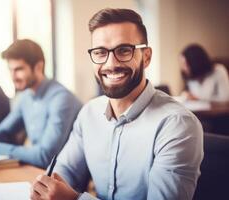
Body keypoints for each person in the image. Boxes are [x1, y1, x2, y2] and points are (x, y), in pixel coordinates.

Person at [31, 8, 203, 200]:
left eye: (123, 50)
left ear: (146, 57)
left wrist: (75, 199)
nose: (111, 64)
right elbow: (65, 171)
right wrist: (45, 187)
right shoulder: (89, 113)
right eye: (100, 52)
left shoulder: (177, 124)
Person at [0, 39, 82, 169]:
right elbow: (5, 129)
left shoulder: (61, 99)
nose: (13, 76)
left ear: (38, 67)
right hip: (38, 171)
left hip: (64, 180)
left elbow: (45, 156)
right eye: (10, 70)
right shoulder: (25, 96)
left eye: (18, 69)